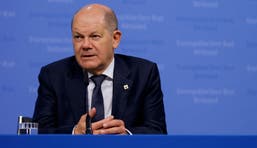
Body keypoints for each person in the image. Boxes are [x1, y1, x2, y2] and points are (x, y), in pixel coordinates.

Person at [32, 3, 167, 135]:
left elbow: (157, 131)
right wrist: (74, 133)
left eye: (94, 36)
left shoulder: (144, 73)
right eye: (78, 37)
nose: (85, 45)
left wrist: (126, 135)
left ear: (115, 39)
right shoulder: (53, 75)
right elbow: (40, 132)